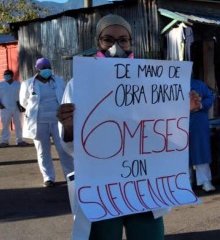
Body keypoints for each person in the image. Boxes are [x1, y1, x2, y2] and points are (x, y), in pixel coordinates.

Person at [57, 14, 197, 239]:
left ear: (131, 43)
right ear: (98, 43)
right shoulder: (79, 85)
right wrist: (70, 125)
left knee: (148, 235)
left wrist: (181, 110)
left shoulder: (151, 83)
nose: (116, 47)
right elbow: (71, 147)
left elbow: (161, 132)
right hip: (101, 186)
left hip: (144, 185)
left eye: (123, 40)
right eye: (108, 40)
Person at [19, 58, 74, 187]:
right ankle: (48, 177)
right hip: (39, 121)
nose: (46, 70)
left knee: (64, 149)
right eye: (43, 68)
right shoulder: (27, 84)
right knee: (43, 151)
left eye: (48, 67)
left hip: (57, 121)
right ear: (38, 69)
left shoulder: (59, 81)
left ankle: (70, 175)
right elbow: (23, 102)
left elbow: (65, 97)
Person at [189, 78, 216, 192]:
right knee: (181, 153)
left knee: (201, 150)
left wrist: (200, 105)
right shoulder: (173, 83)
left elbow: (210, 97)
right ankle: (185, 182)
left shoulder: (199, 84)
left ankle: (205, 180)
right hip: (178, 122)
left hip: (198, 121)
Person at [0, 69, 29, 147]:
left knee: (19, 125)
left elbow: (23, 96)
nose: (5, 76)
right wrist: (1, 105)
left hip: (17, 108)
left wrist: (24, 106)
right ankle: (4, 141)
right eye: (5, 75)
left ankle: (20, 140)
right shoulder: (1, 85)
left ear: (12, 76)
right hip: (5, 108)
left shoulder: (18, 85)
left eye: (7, 75)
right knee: (5, 125)